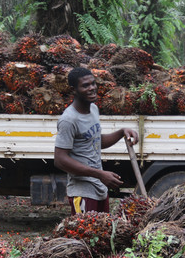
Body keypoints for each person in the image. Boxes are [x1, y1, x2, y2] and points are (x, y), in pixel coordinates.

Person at [54, 67, 139, 214]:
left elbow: (95, 141)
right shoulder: (68, 119)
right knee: (85, 236)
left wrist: (121, 132)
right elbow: (60, 159)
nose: (92, 88)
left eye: (93, 83)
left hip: (99, 188)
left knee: (102, 235)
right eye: (85, 85)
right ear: (74, 90)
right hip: (82, 191)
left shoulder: (93, 109)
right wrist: (99, 174)